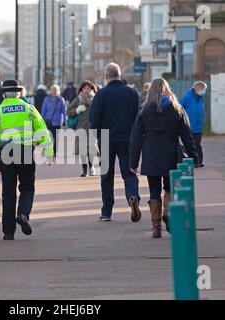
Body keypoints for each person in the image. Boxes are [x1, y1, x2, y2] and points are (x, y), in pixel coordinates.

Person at [0, 80, 54, 241]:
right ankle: (23, 214)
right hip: (26, 151)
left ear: (4, 94)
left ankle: (8, 232)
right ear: (19, 93)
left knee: (8, 192)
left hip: (6, 153)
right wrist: (49, 152)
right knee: (27, 187)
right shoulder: (29, 109)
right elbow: (42, 131)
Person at [130, 78, 198, 238]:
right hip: (171, 152)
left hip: (151, 153)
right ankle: (167, 212)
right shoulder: (177, 109)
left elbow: (136, 138)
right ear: (168, 89)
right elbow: (187, 135)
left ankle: (156, 227)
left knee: (154, 191)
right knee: (169, 187)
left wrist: (133, 162)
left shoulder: (144, 110)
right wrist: (194, 156)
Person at [89, 62, 142, 223]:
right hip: (127, 139)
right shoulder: (132, 93)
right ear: (120, 75)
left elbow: (94, 119)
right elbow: (138, 118)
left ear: (106, 77)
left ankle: (106, 212)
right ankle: (133, 196)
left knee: (106, 176)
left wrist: (95, 139)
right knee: (129, 172)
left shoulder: (101, 94)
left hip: (106, 139)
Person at [68, 80, 99, 177]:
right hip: (80, 127)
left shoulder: (95, 99)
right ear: (82, 89)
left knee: (91, 149)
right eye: (85, 88)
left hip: (92, 127)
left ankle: (92, 167)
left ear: (92, 89)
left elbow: (101, 112)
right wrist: (77, 110)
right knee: (82, 150)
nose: (86, 90)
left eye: (88, 88)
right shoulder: (78, 99)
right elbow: (69, 112)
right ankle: (84, 170)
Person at [180, 81, 207, 168]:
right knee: (190, 144)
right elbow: (179, 107)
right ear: (198, 89)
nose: (204, 92)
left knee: (197, 144)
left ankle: (198, 161)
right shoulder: (187, 97)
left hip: (198, 126)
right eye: (203, 90)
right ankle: (191, 161)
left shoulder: (200, 97)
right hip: (189, 126)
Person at [41, 85, 67, 157]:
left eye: (56, 90)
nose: (54, 92)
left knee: (56, 137)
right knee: (48, 136)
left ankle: (54, 151)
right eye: (53, 90)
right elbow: (43, 110)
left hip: (57, 121)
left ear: (58, 91)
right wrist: (41, 120)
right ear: (51, 91)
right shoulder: (46, 99)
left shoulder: (61, 100)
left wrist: (65, 120)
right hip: (48, 120)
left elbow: (64, 111)